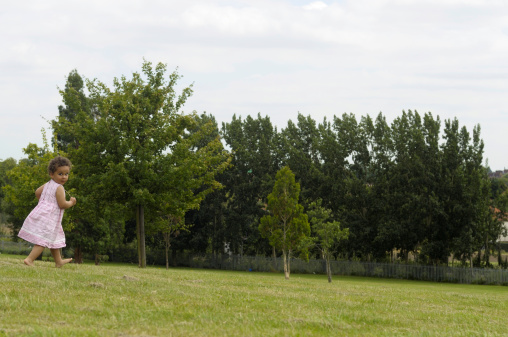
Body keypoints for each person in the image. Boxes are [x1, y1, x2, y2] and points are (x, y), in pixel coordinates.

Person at [18, 156, 77, 267]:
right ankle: (29, 259)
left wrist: (45, 202)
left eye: (66, 174)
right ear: (51, 174)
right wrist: (71, 202)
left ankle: (58, 262)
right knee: (43, 240)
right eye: (60, 174)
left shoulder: (48, 184)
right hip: (50, 218)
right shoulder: (59, 187)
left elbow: (37, 192)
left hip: (45, 215)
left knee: (54, 238)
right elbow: (62, 204)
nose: (64, 177)